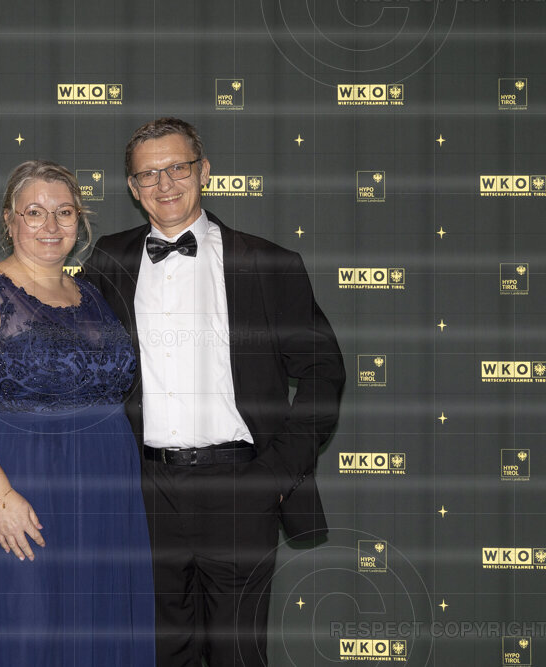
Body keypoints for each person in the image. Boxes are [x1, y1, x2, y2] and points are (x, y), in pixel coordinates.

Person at [82, 118, 346, 667]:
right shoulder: (107, 260)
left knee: (238, 654)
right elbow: (63, 345)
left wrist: (275, 474)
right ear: (132, 187)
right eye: (148, 174)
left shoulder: (268, 263)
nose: (164, 184)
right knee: (157, 653)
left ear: (203, 170)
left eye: (177, 167)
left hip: (239, 488)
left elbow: (323, 371)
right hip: (143, 490)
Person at [0, 160, 156, 667]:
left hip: (105, 493)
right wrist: (0, 498)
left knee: (97, 632)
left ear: (80, 220)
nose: (50, 225)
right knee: (25, 633)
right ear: (10, 221)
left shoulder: (91, 292)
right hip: (23, 486)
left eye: (64, 212)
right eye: (34, 212)